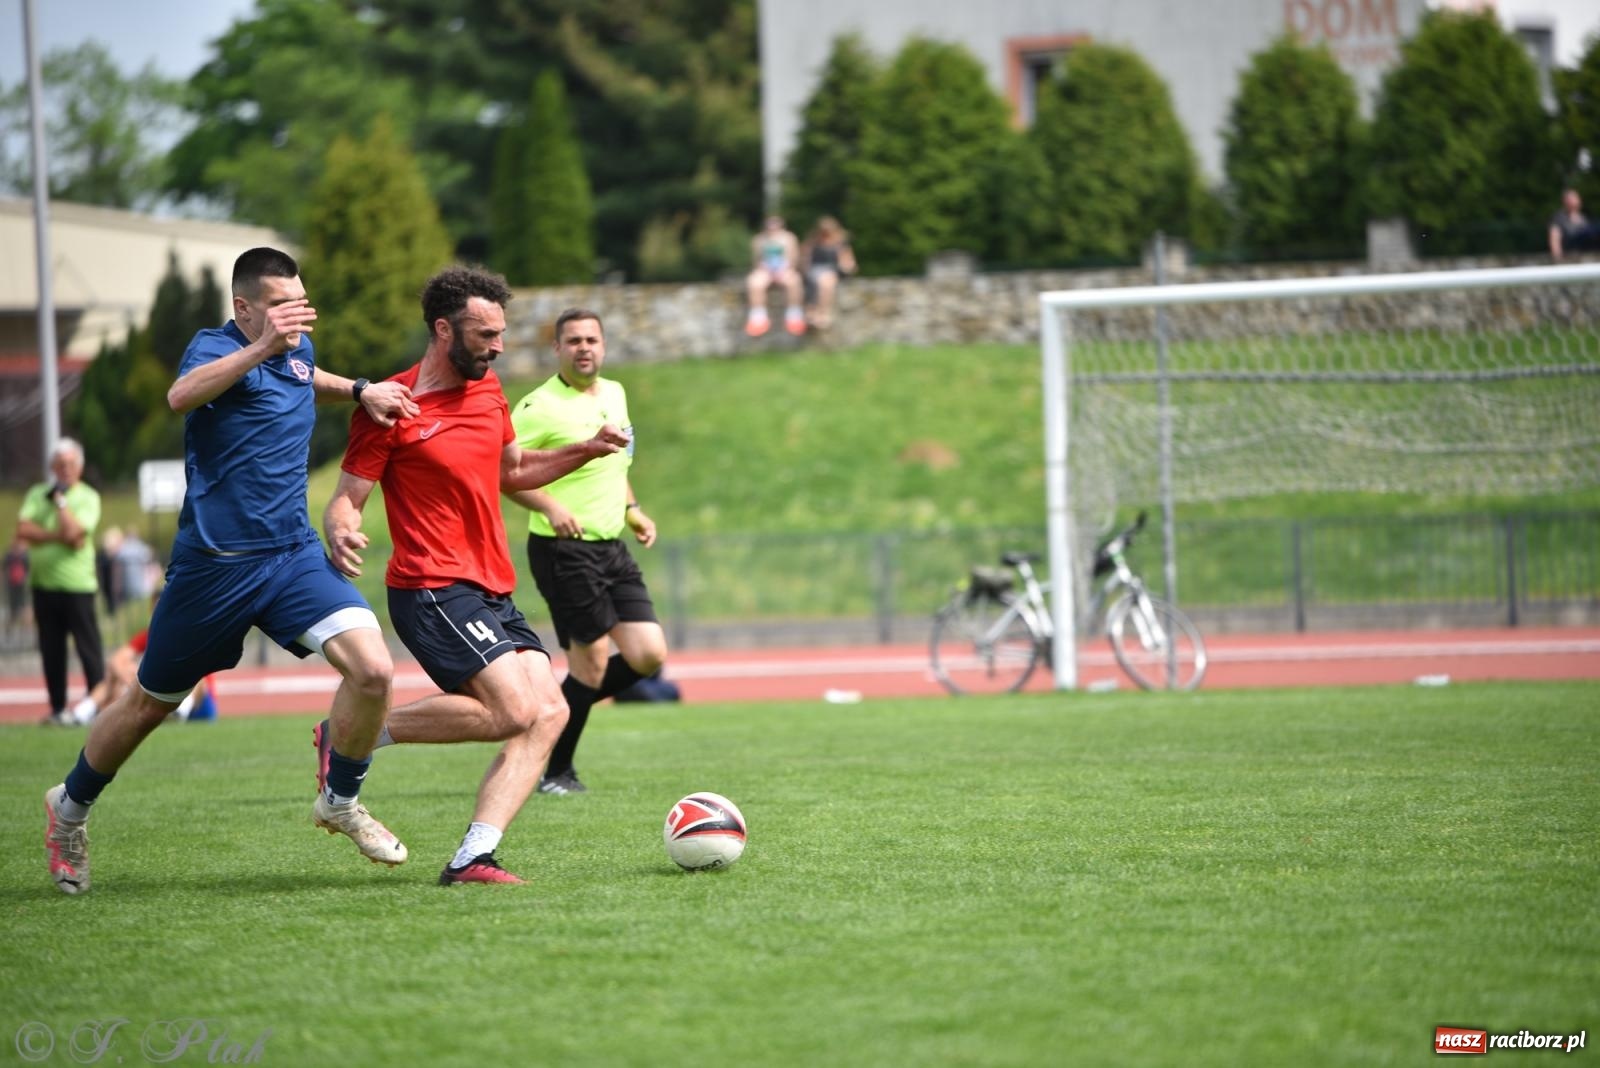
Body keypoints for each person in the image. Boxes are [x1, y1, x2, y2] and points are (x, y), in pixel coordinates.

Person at [42, 246, 420, 896]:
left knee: (374, 668)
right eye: (279, 305)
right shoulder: (212, 347)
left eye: (299, 301)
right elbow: (181, 395)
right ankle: (68, 809)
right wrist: (261, 347)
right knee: (145, 707)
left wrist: (360, 389)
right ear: (243, 308)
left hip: (291, 556)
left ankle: (339, 800)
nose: (293, 316)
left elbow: (306, 374)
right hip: (213, 569)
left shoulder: (295, 348)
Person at [323, 266, 629, 886]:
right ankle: (348, 736)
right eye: (485, 333)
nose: (498, 346)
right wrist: (340, 524)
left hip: (491, 585)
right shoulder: (390, 406)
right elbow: (346, 496)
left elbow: (512, 470)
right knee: (514, 709)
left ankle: (473, 857)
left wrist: (585, 450)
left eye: (501, 332)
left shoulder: (489, 393)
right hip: (430, 584)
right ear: (443, 329)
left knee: (549, 713)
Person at [508, 309, 670, 797]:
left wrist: (634, 509)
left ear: (603, 345)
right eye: (573, 340)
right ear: (557, 349)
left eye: (592, 339)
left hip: (610, 547)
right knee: (592, 664)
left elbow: (617, 464)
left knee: (647, 655)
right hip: (563, 551)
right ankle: (557, 772)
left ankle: (551, 712)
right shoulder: (536, 408)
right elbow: (503, 475)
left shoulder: (616, 394)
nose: (584, 348)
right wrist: (551, 506)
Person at [17, 438, 106, 727]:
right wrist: (57, 537)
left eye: (70, 464)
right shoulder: (35, 494)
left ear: (79, 467)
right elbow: (23, 530)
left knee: (88, 649)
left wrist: (61, 503)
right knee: (51, 650)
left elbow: (75, 534)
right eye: (60, 464)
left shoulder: (88, 497)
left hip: (78, 587)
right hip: (43, 586)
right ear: (52, 467)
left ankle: (97, 705)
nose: (65, 469)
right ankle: (57, 707)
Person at [66, 590, 219, 726]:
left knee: (197, 676)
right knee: (117, 671)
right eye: (155, 608)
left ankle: (180, 713)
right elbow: (116, 660)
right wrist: (132, 679)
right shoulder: (149, 636)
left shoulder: (189, 634)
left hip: (198, 705)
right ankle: (80, 715)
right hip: (162, 699)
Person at [744, 215, 805, 337]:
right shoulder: (759, 240)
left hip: (785, 269)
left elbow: (794, 258)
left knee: (794, 281)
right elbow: (756, 260)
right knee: (754, 282)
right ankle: (758, 317)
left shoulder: (789, 238)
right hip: (765, 271)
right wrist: (765, 269)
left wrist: (783, 270)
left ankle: (794, 315)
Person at [800, 215, 857, 330]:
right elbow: (805, 259)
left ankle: (823, 312)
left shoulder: (840, 243)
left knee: (826, 281)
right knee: (817, 279)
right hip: (815, 270)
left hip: (833, 270)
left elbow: (848, 261)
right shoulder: (812, 243)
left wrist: (847, 267)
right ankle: (813, 311)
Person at [1549, 188, 1600, 260]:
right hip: (1570, 256)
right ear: (1565, 201)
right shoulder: (1559, 219)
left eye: (1576, 198)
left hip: (1584, 256)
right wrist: (1558, 258)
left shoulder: (1583, 218)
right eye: (1571, 198)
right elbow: (1554, 239)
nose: (1574, 200)